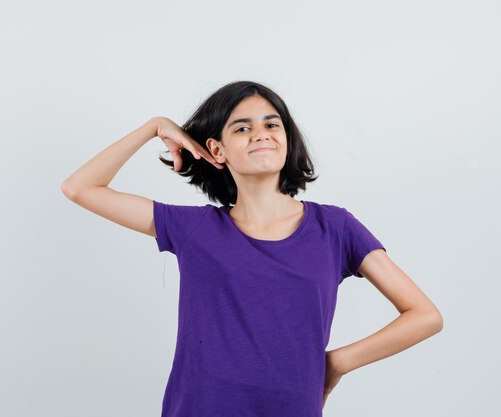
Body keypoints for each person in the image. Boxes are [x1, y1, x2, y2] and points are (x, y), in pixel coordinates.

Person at [61, 80, 443, 416]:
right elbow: (80, 188)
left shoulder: (335, 227)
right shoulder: (193, 228)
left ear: (286, 138)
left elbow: (424, 315)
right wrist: (154, 126)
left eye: (271, 124)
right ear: (218, 149)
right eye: (242, 128)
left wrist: (338, 362)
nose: (261, 134)